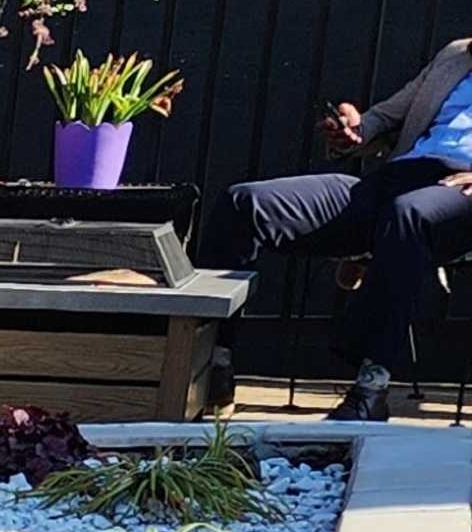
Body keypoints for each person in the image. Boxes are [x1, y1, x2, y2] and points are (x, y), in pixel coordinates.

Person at [192, 37, 472, 419]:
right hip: (395, 178)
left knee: (407, 214)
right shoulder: (456, 55)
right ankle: (213, 367)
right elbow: (387, 117)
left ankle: (370, 390)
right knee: (244, 203)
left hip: (459, 193)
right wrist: (355, 129)